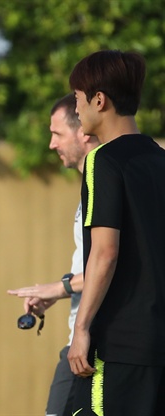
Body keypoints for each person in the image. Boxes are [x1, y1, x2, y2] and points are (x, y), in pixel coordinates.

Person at [67, 50, 165, 415]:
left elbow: (105, 252)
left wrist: (82, 327)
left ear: (99, 100)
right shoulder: (159, 161)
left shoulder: (103, 160)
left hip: (119, 345)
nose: (77, 109)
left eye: (77, 99)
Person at [7, 93, 99, 416]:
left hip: (99, 346)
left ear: (83, 132)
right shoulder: (90, 187)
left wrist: (60, 287)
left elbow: (114, 263)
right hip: (81, 341)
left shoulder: (108, 183)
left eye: (57, 133)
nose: (50, 144)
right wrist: (60, 291)